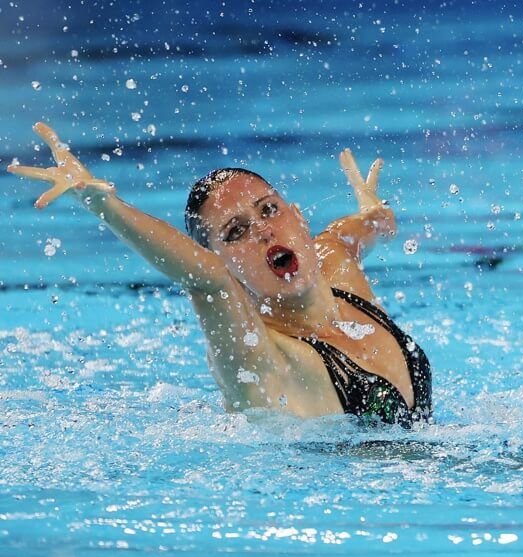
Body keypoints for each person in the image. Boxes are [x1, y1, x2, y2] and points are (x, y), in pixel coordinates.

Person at [9, 122, 432, 426]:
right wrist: (101, 204)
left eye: (269, 210)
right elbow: (205, 278)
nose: (264, 230)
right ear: (225, 264)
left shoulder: (336, 265)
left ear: (299, 218)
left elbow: (360, 229)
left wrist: (377, 214)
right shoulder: (260, 358)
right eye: (236, 232)